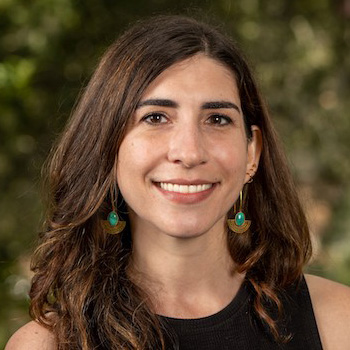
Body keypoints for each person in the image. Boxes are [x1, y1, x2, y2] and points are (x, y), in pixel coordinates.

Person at [5, 15, 350, 350]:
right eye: (155, 117)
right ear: (108, 146)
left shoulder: (337, 322)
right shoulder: (47, 344)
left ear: (252, 153)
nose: (188, 152)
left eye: (217, 119)